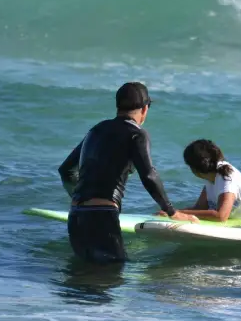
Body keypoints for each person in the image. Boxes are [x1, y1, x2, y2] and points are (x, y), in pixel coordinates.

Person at [58, 82, 198, 263]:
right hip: (102, 215)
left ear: (118, 106)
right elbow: (149, 176)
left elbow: (66, 170)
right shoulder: (137, 134)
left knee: (82, 278)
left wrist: (82, 199)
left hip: (76, 214)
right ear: (145, 109)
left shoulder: (96, 130)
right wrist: (172, 211)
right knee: (111, 273)